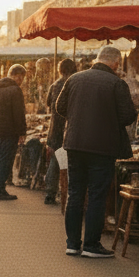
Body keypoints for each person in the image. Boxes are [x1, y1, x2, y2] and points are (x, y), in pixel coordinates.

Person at [54, 45, 136, 258]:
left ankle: (72, 243)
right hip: (102, 147)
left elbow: (59, 107)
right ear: (116, 62)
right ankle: (91, 244)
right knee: (97, 195)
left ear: (98, 59)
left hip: (74, 143)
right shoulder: (117, 83)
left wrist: (78, 117)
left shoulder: (74, 79)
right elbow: (128, 116)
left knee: (75, 193)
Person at [0, 64, 27, 200]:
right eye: (21, 77)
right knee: (5, 160)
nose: (21, 80)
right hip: (9, 131)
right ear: (18, 76)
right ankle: (0, 190)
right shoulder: (15, 90)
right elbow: (19, 113)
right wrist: (22, 132)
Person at [43, 58, 77, 206]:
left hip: (54, 128)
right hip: (68, 128)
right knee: (68, 163)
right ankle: (68, 193)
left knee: (55, 162)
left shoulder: (54, 85)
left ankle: (50, 193)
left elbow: (48, 103)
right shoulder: (73, 84)